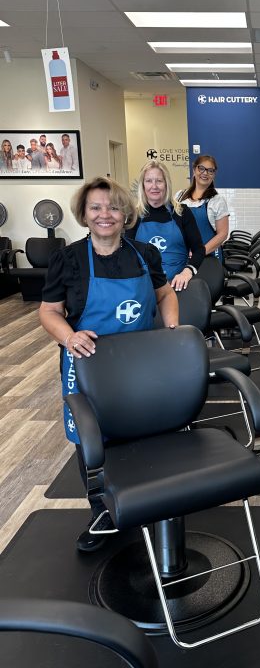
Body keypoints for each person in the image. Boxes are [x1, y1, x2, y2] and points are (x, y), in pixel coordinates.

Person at [39, 176, 179, 552]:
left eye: (113, 207)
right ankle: (101, 510)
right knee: (91, 441)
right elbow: (49, 312)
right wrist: (69, 336)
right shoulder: (66, 259)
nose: (105, 214)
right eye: (96, 207)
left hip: (139, 362)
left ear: (125, 213)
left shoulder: (144, 253)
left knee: (142, 433)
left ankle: (144, 501)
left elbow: (164, 293)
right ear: (84, 215)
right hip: (88, 366)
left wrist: (170, 329)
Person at [127, 160, 206, 291]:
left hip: (178, 285)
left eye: (159, 181)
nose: (154, 186)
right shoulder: (134, 216)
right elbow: (127, 254)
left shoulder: (182, 212)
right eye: (149, 181)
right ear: (142, 185)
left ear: (166, 184)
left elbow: (199, 249)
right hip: (145, 287)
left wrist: (187, 272)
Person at [177, 155, 229, 262]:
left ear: (214, 175)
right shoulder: (179, 196)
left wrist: (199, 253)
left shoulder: (217, 201)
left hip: (208, 258)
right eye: (201, 168)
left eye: (210, 171)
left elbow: (223, 234)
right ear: (194, 170)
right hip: (181, 256)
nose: (205, 173)